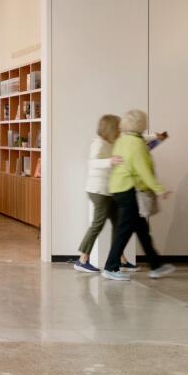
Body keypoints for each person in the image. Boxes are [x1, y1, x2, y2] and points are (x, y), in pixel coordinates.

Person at [103, 110, 170, 280]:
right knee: (124, 230)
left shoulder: (122, 140)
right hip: (129, 190)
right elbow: (143, 170)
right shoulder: (137, 144)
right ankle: (111, 267)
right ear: (141, 124)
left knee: (141, 229)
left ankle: (156, 265)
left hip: (117, 188)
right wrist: (158, 188)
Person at [72, 114, 124, 273]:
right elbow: (92, 162)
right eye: (118, 127)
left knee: (119, 224)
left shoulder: (111, 143)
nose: (120, 130)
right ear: (111, 128)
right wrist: (111, 161)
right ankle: (82, 259)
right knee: (97, 225)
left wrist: (156, 136)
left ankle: (120, 258)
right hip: (99, 190)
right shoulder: (98, 143)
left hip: (108, 190)